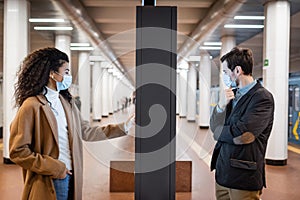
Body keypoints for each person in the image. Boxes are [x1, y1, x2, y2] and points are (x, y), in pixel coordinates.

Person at [9, 47, 134, 200]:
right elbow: (18, 151)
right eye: (66, 71)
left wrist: (124, 126)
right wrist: (56, 167)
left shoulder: (67, 102)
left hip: (73, 174)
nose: (69, 76)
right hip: (52, 178)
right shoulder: (32, 106)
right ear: (52, 74)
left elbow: (86, 131)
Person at [210, 47, 275, 200]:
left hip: (243, 176)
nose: (225, 76)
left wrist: (219, 132)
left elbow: (244, 134)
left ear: (237, 70)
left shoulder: (262, 98)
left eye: (226, 72)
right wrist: (221, 105)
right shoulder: (231, 96)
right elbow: (214, 126)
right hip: (222, 172)